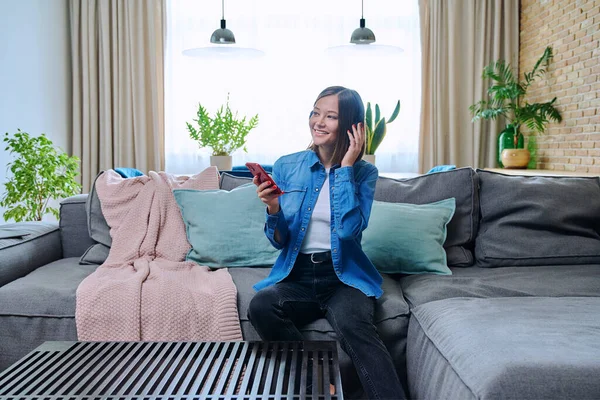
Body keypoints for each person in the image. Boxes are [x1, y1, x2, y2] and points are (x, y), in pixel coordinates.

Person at [248, 86, 406, 400]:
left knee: (355, 328)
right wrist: (273, 209)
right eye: (315, 112)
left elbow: (349, 232)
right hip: (298, 277)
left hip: (344, 278)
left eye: (330, 116)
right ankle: (318, 384)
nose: (318, 122)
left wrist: (345, 167)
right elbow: (279, 242)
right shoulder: (288, 166)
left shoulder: (364, 173)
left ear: (350, 126)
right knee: (262, 306)